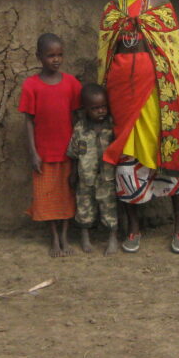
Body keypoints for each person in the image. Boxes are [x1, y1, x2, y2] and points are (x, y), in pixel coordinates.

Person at [98, 0, 179, 254]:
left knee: (166, 149)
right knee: (127, 156)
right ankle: (133, 228)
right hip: (122, 95)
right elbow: (106, 55)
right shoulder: (112, 10)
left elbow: (173, 55)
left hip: (157, 97)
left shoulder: (163, 8)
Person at [19, 33, 82, 257]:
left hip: (66, 153)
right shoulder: (31, 85)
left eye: (59, 55)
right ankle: (54, 238)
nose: (56, 60)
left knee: (65, 197)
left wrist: (77, 153)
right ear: (39, 57)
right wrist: (33, 153)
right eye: (50, 55)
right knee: (46, 198)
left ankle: (65, 237)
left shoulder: (72, 84)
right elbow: (28, 121)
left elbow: (76, 120)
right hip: (44, 154)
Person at [67, 83, 118, 255]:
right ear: (85, 109)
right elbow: (74, 153)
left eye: (103, 107)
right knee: (84, 207)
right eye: (95, 108)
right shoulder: (80, 128)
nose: (101, 111)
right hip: (85, 177)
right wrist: (73, 174)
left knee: (109, 207)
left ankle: (112, 238)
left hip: (107, 177)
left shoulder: (111, 127)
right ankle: (85, 237)